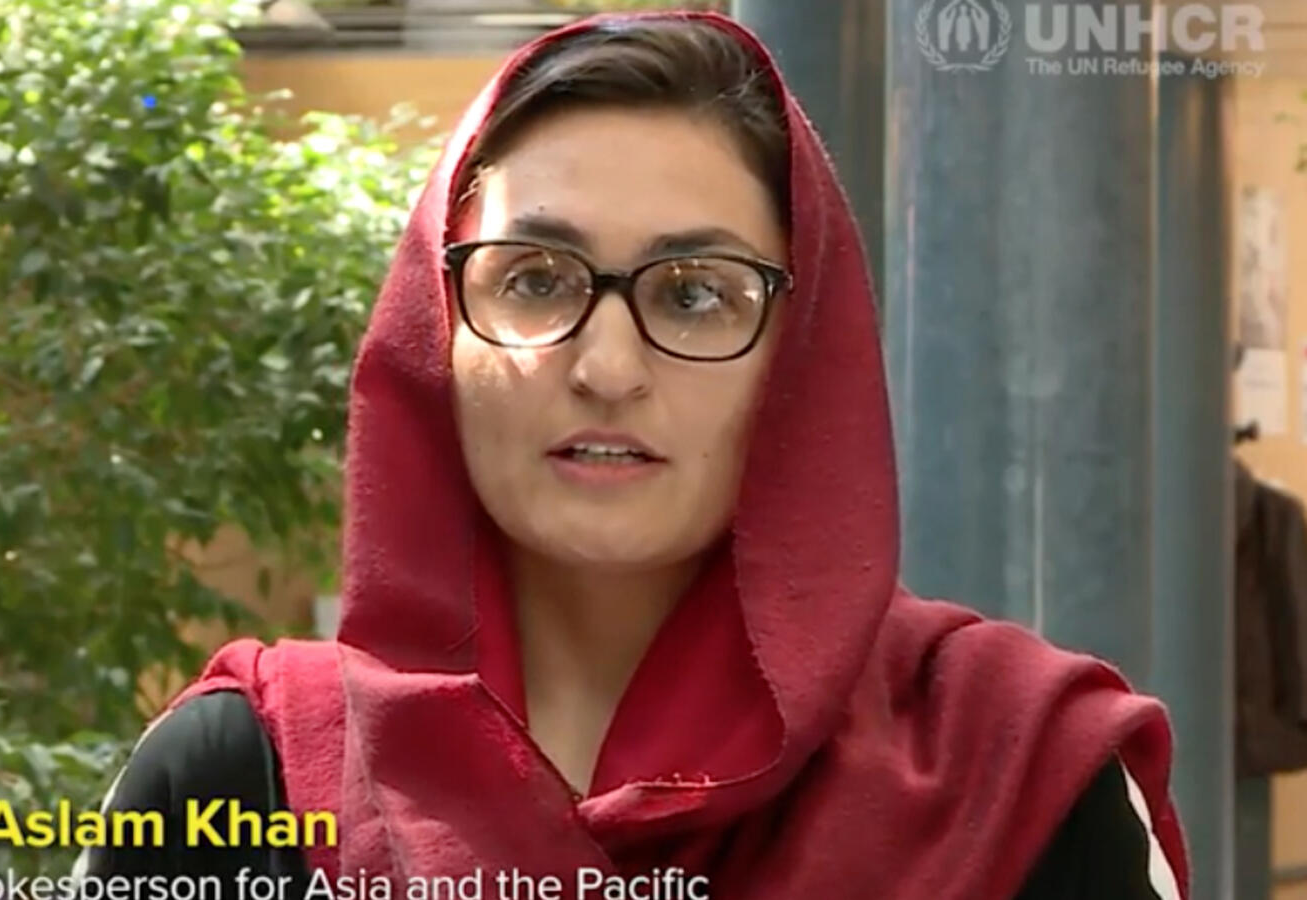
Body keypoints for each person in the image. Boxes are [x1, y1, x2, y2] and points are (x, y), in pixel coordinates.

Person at [77, 11, 1188, 898]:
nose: (608, 366)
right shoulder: (245, 778)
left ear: (800, 357)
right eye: (534, 279)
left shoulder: (1015, 776)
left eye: (697, 294)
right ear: (433, 329)